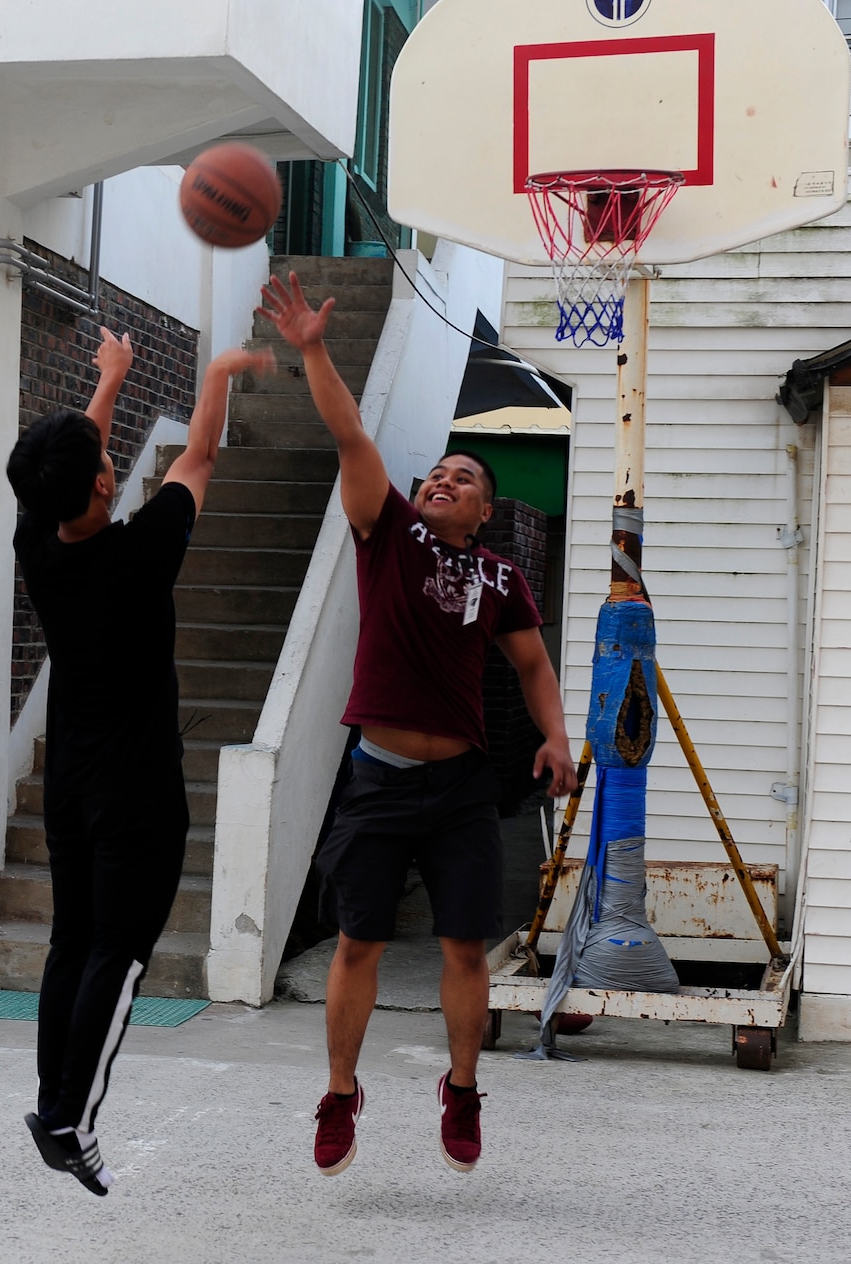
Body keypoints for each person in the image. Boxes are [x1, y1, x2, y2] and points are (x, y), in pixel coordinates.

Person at [258, 273, 577, 1177]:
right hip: (378, 777)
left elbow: (532, 666)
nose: (444, 478)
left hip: (463, 787)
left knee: (463, 944)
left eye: (463, 476)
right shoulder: (386, 534)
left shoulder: (504, 580)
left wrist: (554, 736)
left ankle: (463, 1088)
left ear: (485, 512)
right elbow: (350, 432)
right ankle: (339, 1091)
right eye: (438, 470)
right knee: (358, 938)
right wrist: (314, 346)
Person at [7, 325, 273, 1196]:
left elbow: (83, 465)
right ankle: (71, 1121)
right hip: (138, 794)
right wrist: (223, 371)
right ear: (104, 480)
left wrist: (111, 380)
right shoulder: (142, 553)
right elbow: (200, 451)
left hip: (72, 787)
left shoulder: (37, 547)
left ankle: (51, 1101)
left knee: (72, 943)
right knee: (118, 955)